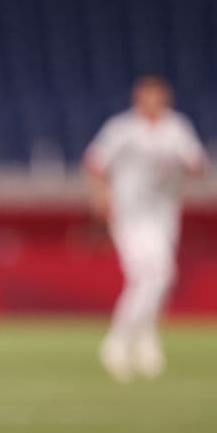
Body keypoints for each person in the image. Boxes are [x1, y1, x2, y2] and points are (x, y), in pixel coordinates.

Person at [84, 75, 208, 382]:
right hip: (129, 213)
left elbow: (196, 163)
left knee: (156, 278)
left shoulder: (176, 128)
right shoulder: (122, 129)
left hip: (163, 213)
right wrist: (101, 196)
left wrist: (187, 168)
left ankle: (145, 341)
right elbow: (95, 163)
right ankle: (117, 342)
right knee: (153, 275)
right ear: (138, 98)